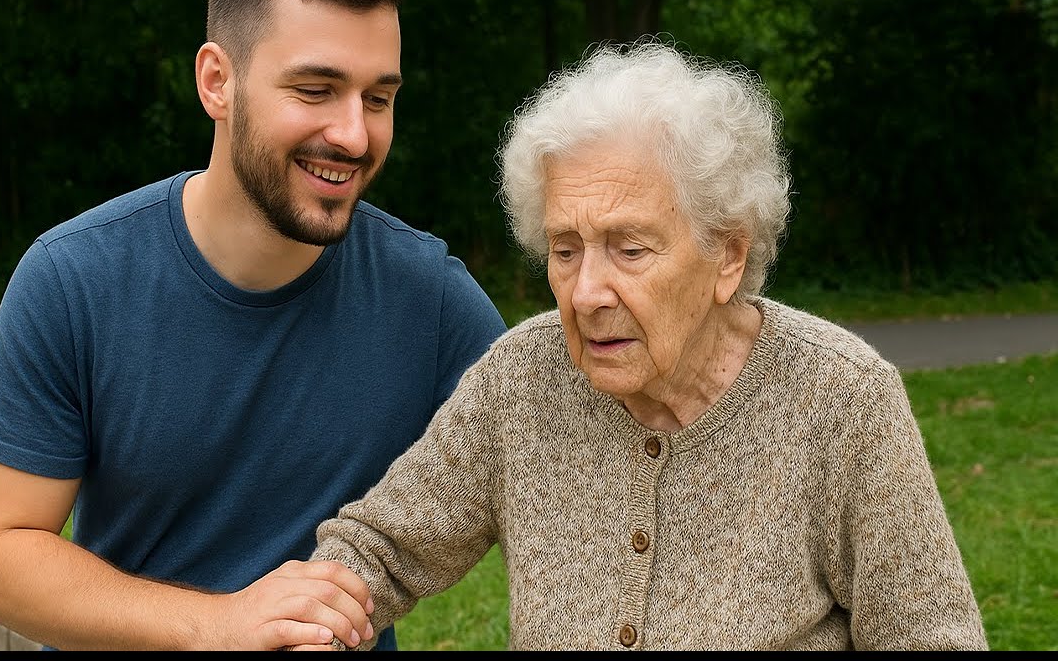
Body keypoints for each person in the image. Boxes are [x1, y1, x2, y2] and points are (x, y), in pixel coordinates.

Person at [303, 39, 989, 651]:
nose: (585, 292)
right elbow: (380, 549)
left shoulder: (842, 402)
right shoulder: (520, 380)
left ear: (726, 257)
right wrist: (319, 629)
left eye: (629, 249)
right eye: (565, 250)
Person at [0, 0, 506, 651]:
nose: (354, 134)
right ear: (218, 81)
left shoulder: (430, 300)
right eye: (315, 89)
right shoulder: (73, 280)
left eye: (378, 98)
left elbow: (569, 471)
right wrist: (219, 624)